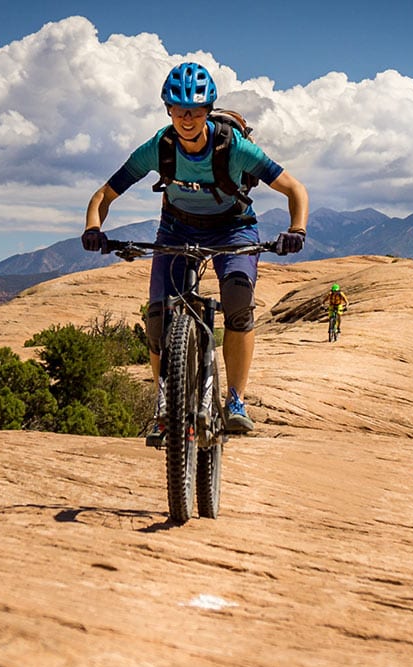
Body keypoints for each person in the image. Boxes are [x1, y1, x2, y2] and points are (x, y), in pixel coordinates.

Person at [82, 61, 309, 436]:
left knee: (238, 300)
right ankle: (164, 405)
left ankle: (235, 398)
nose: (187, 118)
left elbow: (294, 188)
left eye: (196, 110)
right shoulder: (159, 147)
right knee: (158, 320)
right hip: (176, 229)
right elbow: (104, 194)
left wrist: (296, 229)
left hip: (233, 230)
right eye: (180, 109)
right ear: (168, 109)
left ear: (208, 111)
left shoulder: (234, 147)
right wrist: (93, 227)